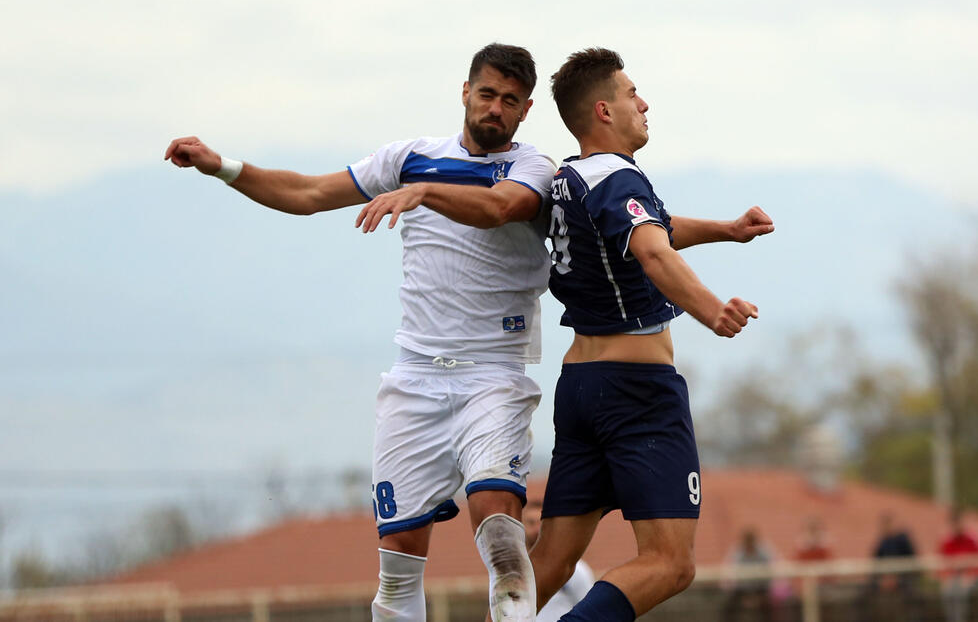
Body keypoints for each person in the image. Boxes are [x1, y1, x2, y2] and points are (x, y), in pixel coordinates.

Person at [164, 43, 556, 622]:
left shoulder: (534, 169)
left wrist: (423, 193)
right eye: (487, 94)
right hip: (413, 381)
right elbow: (308, 194)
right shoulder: (409, 157)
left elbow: (498, 208)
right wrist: (223, 167)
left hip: (491, 377)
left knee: (499, 528)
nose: (496, 108)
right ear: (465, 92)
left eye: (510, 100)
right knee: (396, 574)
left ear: (524, 111)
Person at [527, 47, 774, 621]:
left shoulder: (572, 178)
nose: (644, 103)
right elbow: (651, 248)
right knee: (670, 562)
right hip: (636, 391)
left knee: (551, 562)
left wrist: (726, 230)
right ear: (604, 110)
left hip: (581, 387)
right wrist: (712, 311)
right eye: (632, 92)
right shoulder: (617, 177)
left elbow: (650, 225)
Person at [523, 491, 595, 622]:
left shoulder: (575, 570)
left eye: (541, 523)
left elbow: (590, 613)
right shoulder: (514, 571)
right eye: (531, 523)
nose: (536, 529)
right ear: (522, 526)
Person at [938, 507, 978, 622]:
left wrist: (972, 575)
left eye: (959, 522)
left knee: (961, 591)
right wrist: (947, 578)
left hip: (976, 578)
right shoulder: (947, 541)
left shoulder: (973, 538)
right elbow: (943, 565)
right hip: (955, 579)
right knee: (949, 591)